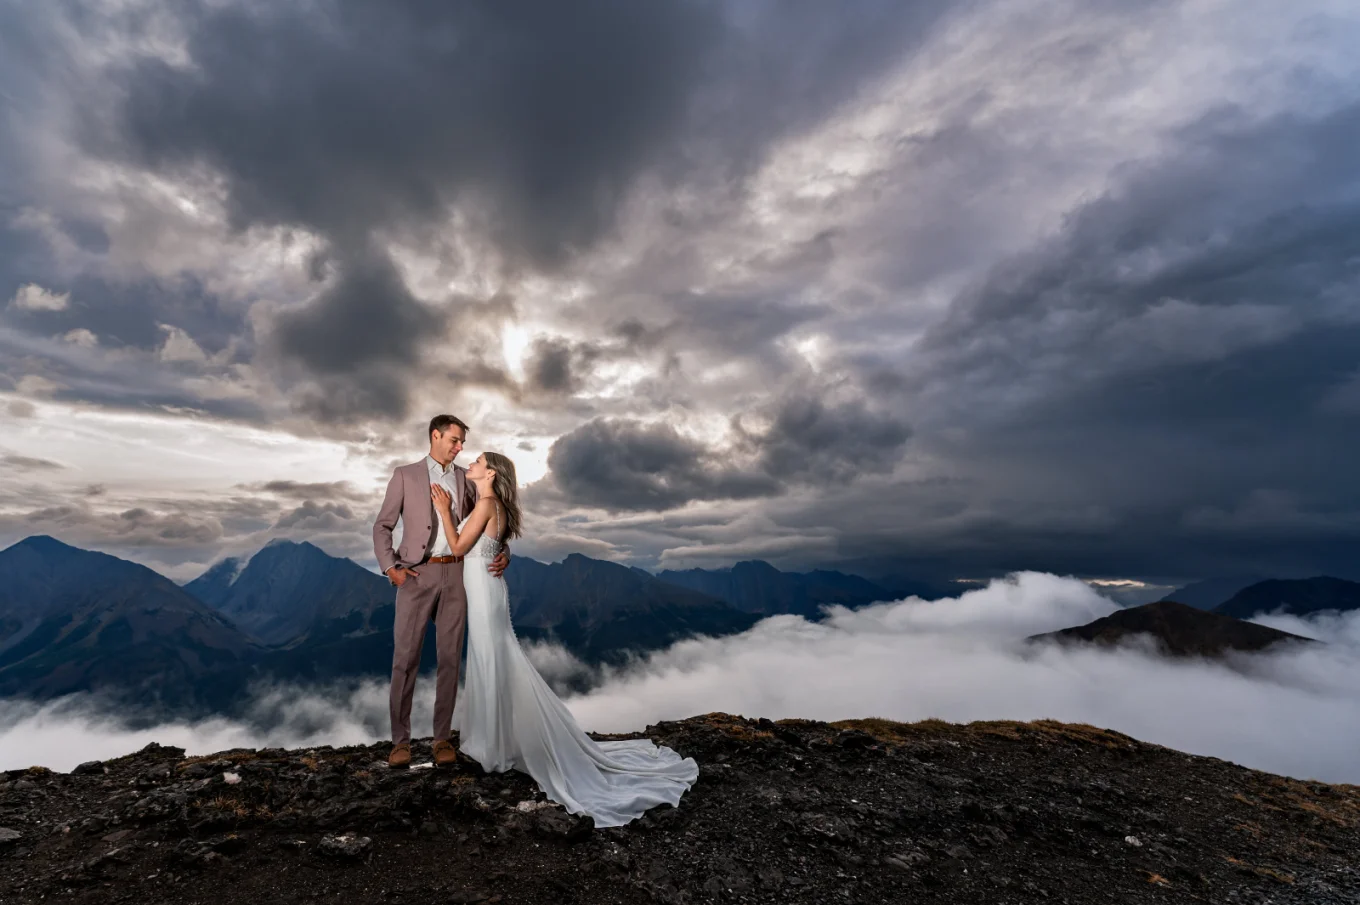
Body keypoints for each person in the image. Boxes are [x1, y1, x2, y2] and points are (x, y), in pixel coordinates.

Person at [431, 450, 699, 828]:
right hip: (486, 591)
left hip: (485, 594)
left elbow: (459, 548)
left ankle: (493, 746)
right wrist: (499, 548)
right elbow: (490, 544)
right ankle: (495, 740)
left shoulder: (487, 502)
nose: (470, 464)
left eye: (477, 461)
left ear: (490, 473)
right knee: (491, 659)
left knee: (491, 660)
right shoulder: (492, 504)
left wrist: (443, 510)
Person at [372, 415, 509, 770]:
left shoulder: (467, 478)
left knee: (450, 659)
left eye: (462, 442)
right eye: (455, 440)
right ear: (436, 435)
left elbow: (487, 521)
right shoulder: (405, 474)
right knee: (405, 660)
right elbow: (383, 525)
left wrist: (503, 551)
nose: (460, 447)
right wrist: (391, 569)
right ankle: (400, 743)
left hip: (458, 576)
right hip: (416, 576)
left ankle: (441, 739)